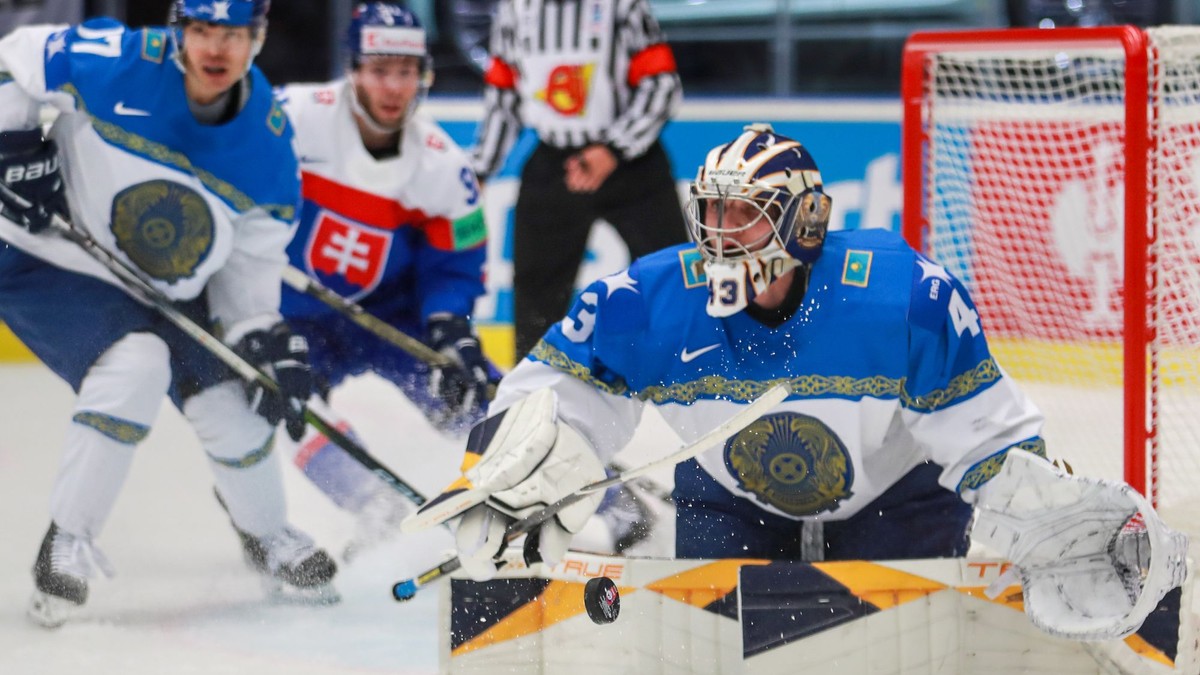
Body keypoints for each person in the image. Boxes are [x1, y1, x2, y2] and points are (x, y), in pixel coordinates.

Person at [413, 124, 1188, 641]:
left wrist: (1038, 504)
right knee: (724, 641)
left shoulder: (902, 294)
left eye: (744, 215)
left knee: (891, 641)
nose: (719, 234)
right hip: (727, 491)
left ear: (803, 223)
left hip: (898, 487)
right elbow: (553, 389)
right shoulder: (653, 298)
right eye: (710, 211)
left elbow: (984, 434)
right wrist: (512, 471)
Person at [266, 1, 654, 562]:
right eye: (379, 70)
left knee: (474, 396)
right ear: (352, 70)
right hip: (297, 317)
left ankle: (605, 496)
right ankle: (372, 504)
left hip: (394, 314)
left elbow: (455, 262)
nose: (393, 87)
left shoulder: (444, 165)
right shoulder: (293, 117)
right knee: (268, 397)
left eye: (406, 72)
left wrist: (450, 326)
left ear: (423, 77)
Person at [0, 0, 337, 627]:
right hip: (49, 255)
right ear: (178, 29)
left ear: (260, 38)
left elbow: (246, 287)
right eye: (202, 30)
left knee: (234, 409)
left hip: (163, 289)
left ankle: (266, 533)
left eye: (234, 34)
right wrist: (11, 138)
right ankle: (67, 540)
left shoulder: (268, 152)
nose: (215, 49)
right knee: (135, 365)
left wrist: (265, 340)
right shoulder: (116, 60)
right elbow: (10, 59)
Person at [471, 0, 689, 363]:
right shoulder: (516, 10)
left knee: (673, 276)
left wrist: (613, 150)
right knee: (536, 296)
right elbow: (503, 97)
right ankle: (534, 392)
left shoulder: (622, 6)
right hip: (555, 161)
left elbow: (663, 85)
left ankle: (693, 374)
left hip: (632, 164)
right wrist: (480, 169)